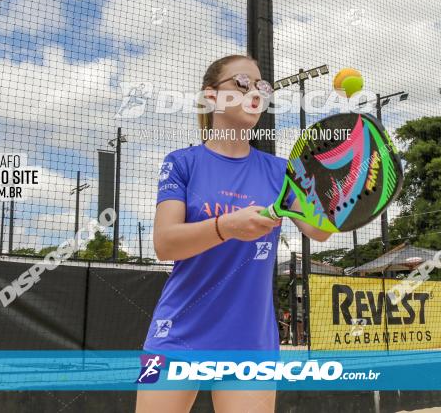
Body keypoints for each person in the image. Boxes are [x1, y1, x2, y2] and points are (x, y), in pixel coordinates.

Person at [135, 55, 332, 413]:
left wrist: (338, 193)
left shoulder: (281, 171)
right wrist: (227, 227)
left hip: (250, 342)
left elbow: (319, 231)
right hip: (175, 335)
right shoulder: (181, 163)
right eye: (242, 83)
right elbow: (165, 243)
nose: (255, 92)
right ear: (211, 97)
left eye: (263, 87)